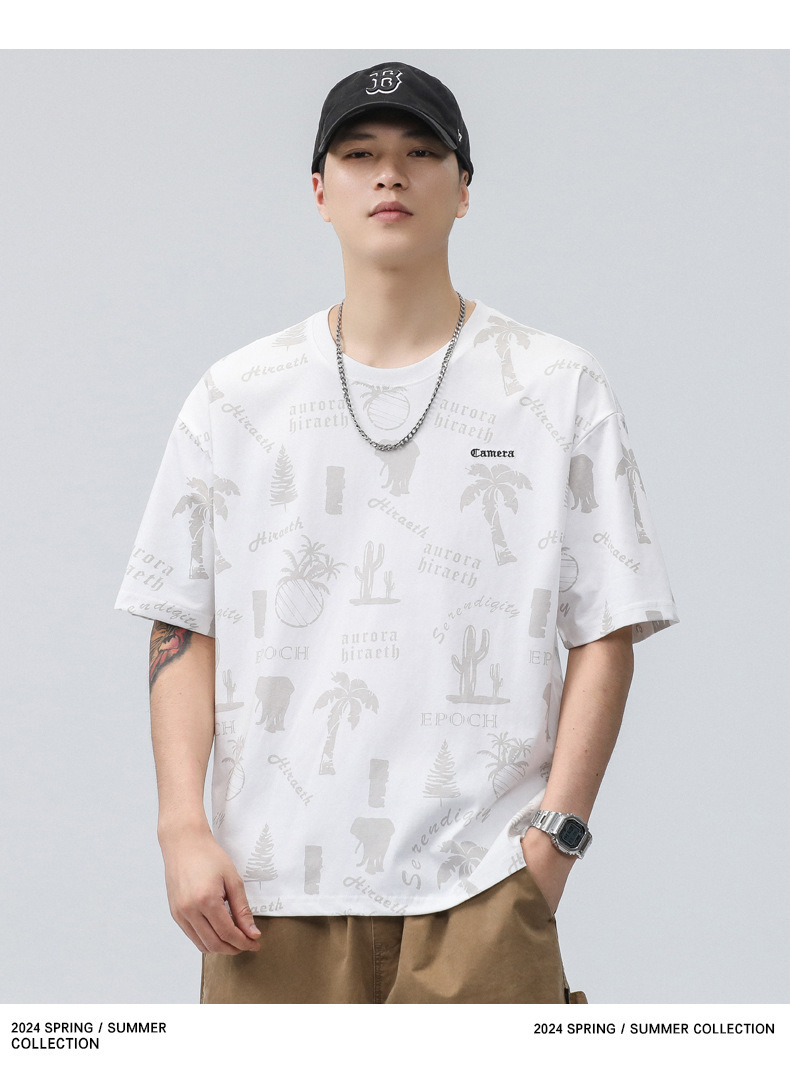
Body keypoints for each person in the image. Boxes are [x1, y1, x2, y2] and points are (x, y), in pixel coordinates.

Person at [115, 61, 679, 1004]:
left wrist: (550, 849)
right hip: (268, 898)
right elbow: (182, 620)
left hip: (483, 887)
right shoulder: (236, 397)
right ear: (318, 190)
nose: (390, 174)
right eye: (360, 154)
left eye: (422, 152)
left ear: (463, 190)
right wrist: (181, 826)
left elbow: (607, 627)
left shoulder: (555, 387)